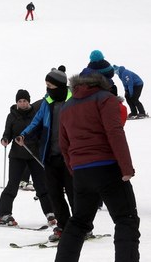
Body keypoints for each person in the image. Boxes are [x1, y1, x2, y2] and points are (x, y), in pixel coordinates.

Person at [55, 68, 140, 262]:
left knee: (78, 222)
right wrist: (126, 168)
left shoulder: (67, 106)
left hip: (81, 172)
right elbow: (115, 132)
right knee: (125, 219)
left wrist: (74, 170)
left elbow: (64, 144)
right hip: (107, 168)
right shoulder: (105, 99)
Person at [15, 66, 74, 242]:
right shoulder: (47, 101)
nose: (47, 88)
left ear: (59, 85)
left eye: (50, 85)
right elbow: (37, 120)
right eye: (46, 85)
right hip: (50, 155)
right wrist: (24, 134)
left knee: (73, 193)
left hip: (69, 156)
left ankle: (82, 227)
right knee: (54, 194)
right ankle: (63, 226)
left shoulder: (73, 100)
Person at [0, 90, 55, 226]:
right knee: (13, 185)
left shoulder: (36, 114)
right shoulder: (12, 116)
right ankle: (3, 213)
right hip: (17, 156)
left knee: (41, 185)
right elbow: (8, 133)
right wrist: (5, 139)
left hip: (34, 154)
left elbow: (41, 132)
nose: (22, 104)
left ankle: (50, 212)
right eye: (20, 101)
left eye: (25, 101)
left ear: (29, 101)